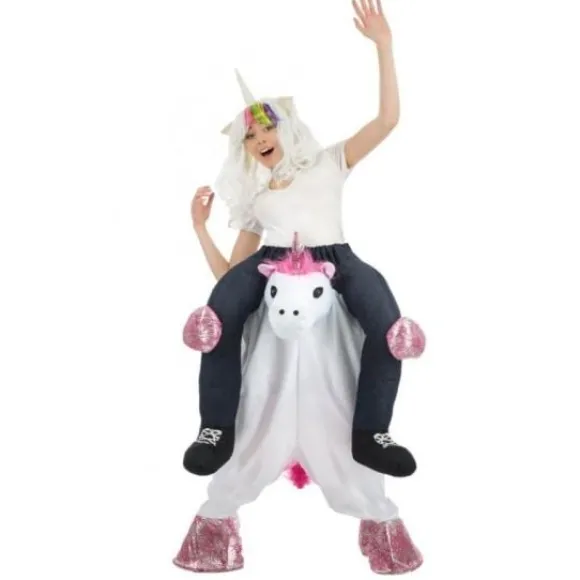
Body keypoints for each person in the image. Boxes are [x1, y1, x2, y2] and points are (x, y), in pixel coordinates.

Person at [182, 0, 425, 480]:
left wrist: (384, 46)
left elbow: (387, 120)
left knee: (389, 326)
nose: (261, 139)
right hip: (271, 260)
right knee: (218, 314)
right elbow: (229, 276)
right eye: (251, 137)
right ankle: (215, 428)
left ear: (286, 128)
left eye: (267, 128)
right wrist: (199, 228)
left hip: (336, 255)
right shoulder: (256, 198)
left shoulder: (330, 161)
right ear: (245, 149)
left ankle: (371, 432)